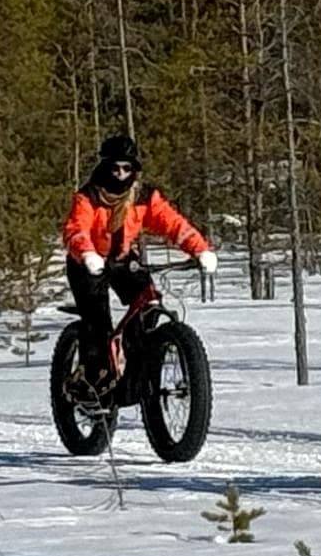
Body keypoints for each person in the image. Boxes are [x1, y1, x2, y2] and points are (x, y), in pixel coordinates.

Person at [60, 133, 213, 390]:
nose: (120, 174)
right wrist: (86, 253)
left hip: (121, 258)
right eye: (115, 167)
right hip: (87, 262)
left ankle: (138, 363)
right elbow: (76, 230)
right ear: (104, 167)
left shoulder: (143, 197)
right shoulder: (88, 197)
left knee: (149, 302)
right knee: (97, 322)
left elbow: (174, 225)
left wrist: (200, 250)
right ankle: (92, 381)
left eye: (127, 167)